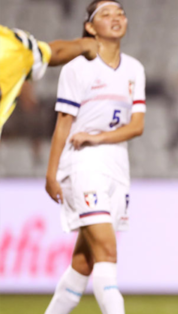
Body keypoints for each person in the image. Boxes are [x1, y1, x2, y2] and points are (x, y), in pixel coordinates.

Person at [44, 1, 145, 313]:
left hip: (117, 165)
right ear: (89, 27)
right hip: (83, 163)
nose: (115, 19)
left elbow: (137, 126)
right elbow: (63, 124)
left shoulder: (134, 69)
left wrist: (98, 136)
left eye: (120, 14)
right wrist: (51, 173)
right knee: (106, 252)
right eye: (106, 14)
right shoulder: (77, 67)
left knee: (84, 262)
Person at [0, 24, 98, 139]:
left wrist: (84, 46)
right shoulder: (11, 46)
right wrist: (84, 46)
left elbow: (53, 53)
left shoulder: (13, 47)